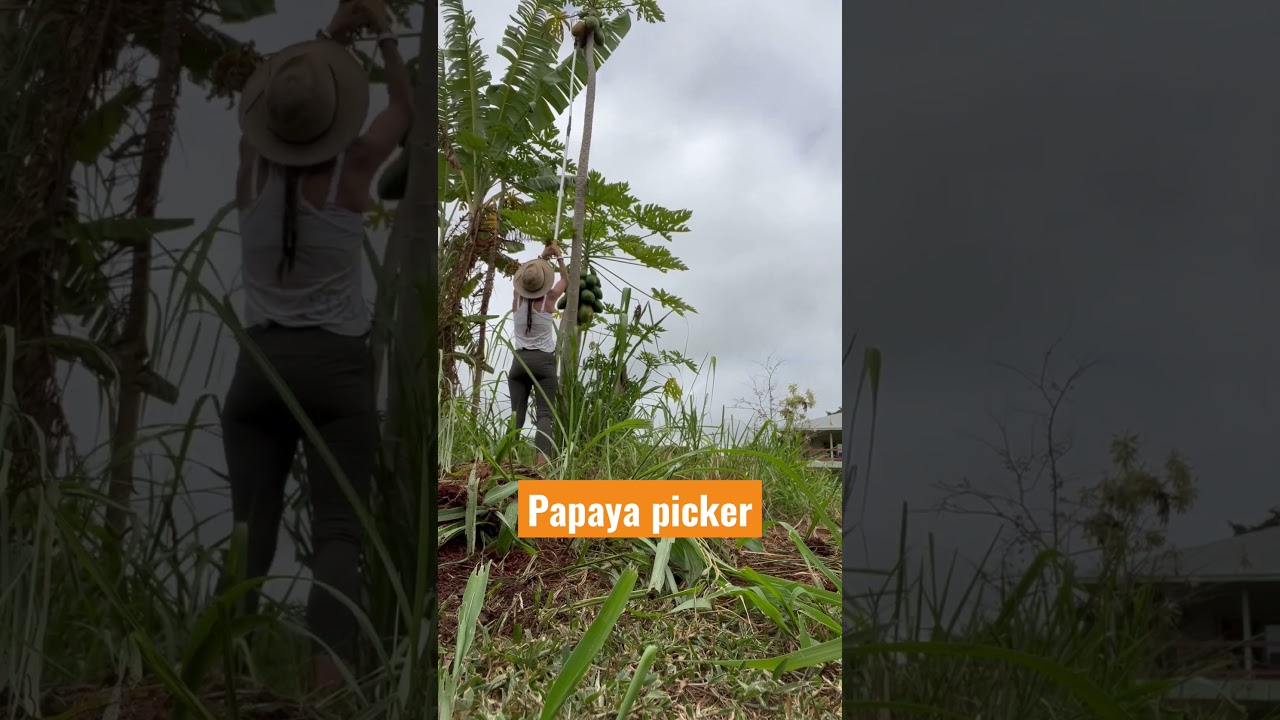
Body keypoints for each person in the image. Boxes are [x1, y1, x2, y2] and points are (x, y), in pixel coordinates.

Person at [218, 0, 412, 691]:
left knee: (251, 531)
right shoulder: (354, 169)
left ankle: (220, 670)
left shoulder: (250, 173)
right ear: (335, 121)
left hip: (259, 367)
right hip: (334, 368)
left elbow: (278, 103)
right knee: (337, 533)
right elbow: (404, 110)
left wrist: (328, 39)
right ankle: (327, 684)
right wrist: (382, 36)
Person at [509, 244, 569, 466]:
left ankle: (506, 460)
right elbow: (566, 280)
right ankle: (541, 465)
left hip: (519, 362)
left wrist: (541, 257)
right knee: (544, 414)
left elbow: (527, 276)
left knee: (517, 414)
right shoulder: (549, 300)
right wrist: (559, 256)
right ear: (543, 285)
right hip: (543, 362)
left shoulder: (516, 299)